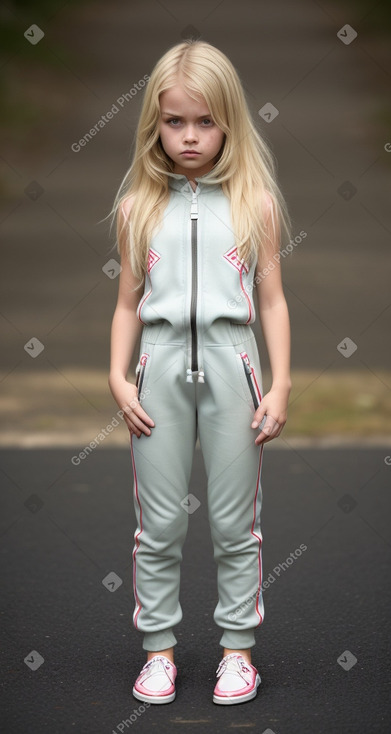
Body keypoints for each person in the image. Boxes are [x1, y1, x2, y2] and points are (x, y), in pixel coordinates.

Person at [108, 39, 292, 706]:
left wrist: (278, 384)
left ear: (229, 123)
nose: (189, 136)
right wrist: (118, 377)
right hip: (156, 378)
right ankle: (158, 651)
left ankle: (236, 652)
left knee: (233, 524)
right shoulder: (137, 207)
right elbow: (127, 303)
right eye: (174, 121)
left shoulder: (255, 204)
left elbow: (270, 300)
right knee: (156, 526)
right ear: (153, 123)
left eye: (205, 121)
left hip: (231, 373)